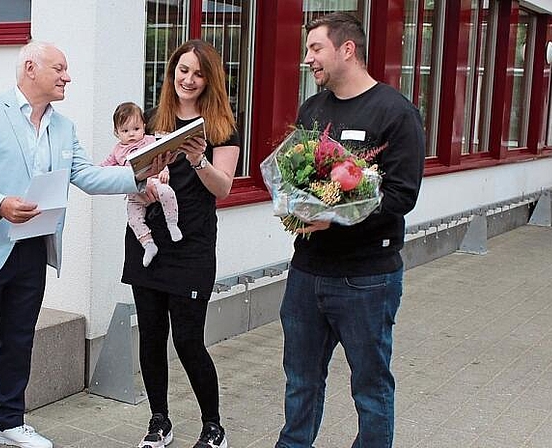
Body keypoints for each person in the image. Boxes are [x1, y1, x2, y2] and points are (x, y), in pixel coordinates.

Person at [0, 41, 172, 448]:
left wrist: (139, 177)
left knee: (19, 340)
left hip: (33, 246)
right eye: (60, 68)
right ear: (31, 68)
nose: (68, 76)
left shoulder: (63, 127)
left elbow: (86, 175)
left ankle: (10, 422)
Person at [275, 12, 425, 448]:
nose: (308, 59)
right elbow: (296, 173)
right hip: (307, 272)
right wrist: (294, 202)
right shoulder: (312, 109)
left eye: (315, 48)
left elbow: (402, 195)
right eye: (307, 50)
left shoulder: (395, 113)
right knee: (300, 381)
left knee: (370, 387)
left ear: (347, 49)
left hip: (366, 278)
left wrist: (339, 213)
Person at [121, 39, 240, 448]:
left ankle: (213, 426)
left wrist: (198, 159)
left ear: (211, 79)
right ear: (172, 72)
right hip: (148, 241)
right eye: (183, 70)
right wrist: (142, 178)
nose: (188, 79)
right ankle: (159, 422)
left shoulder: (222, 127)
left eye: (198, 72)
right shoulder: (152, 119)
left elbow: (222, 188)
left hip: (191, 247)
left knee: (188, 340)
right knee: (151, 336)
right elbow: (130, 170)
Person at [100, 102, 182, 267]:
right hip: (134, 193)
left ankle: (172, 223)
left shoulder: (150, 141)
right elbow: (103, 168)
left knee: (167, 192)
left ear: (144, 126)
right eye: (125, 131)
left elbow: (162, 154)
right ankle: (148, 244)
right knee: (134, 219)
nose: (131, 134)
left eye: (136, 129)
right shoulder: (117, 151)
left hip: (154, 181)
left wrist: (164, 170)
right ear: (116, 132)